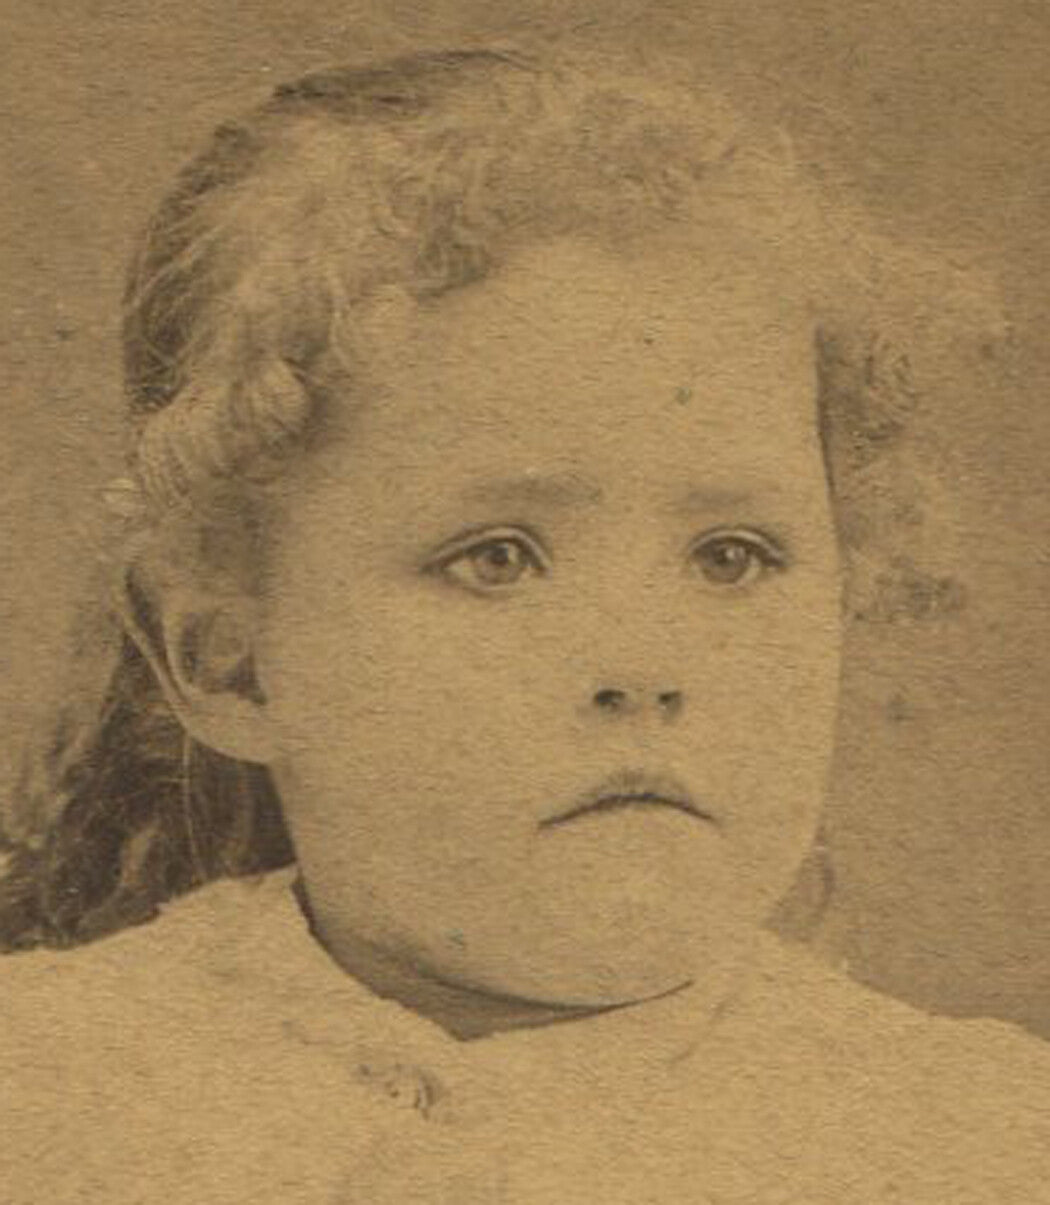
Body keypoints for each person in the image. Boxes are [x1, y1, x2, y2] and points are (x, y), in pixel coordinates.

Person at [1, 41, 1047, 1205]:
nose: (643, 666)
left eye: (733, 557)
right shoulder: (47, 1098)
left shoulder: (976, 1140)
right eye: (497, 558)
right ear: (231, 662)